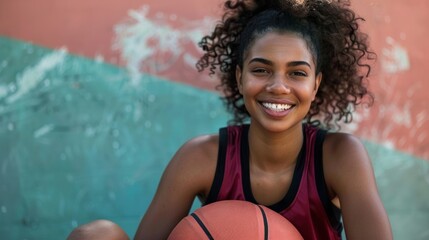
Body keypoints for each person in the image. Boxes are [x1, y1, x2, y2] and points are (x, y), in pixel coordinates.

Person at [68, 0, 393, 239]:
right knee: (96, 236)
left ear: (316, 84)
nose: (278, 86)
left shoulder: (339, 157)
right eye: (261, 69)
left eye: (297, 73)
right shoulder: (201, 158)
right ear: (239, 78)